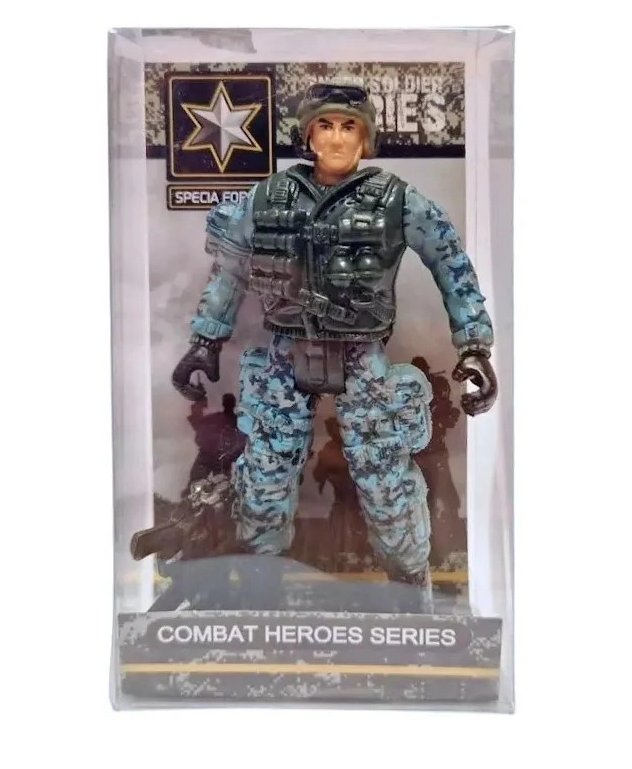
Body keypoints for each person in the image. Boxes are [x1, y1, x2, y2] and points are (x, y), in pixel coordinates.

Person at [171, 81, 497, 612]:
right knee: (265, 476)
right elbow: (229, 271)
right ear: (308, 135)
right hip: (285, 353)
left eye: (349, 127)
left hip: (361, 355)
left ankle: (410, 595)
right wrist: (207, 339)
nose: (337, 138)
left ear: (365, 138)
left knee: (386, 478)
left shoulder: (397, 200)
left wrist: (474, 344)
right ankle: (259, 592)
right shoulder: (267, 197)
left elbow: (450, 261)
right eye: (325, 125)